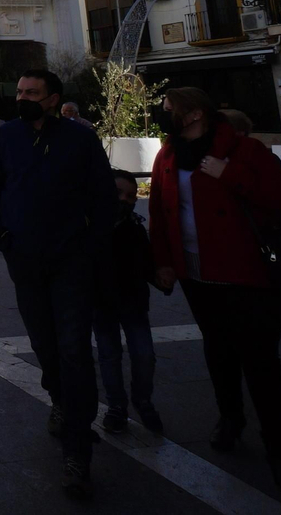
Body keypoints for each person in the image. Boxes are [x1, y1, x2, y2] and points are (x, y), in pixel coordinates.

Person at [151, 87, 281, 510]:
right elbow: (160, 213)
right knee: (218, 351)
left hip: (247, 274)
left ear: (195, 113)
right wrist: (163, 262)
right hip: (198, 276)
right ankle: (230, 417)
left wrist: (229, 173)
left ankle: (280, 454)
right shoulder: (167, 155)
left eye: (168, 110)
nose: (161, 116)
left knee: (261, 363)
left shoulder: (245, 151)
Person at [0, 70, 113, 500]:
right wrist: (1, 236)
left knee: (74, 349)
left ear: (53, 99)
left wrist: (90, 245)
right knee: (44, 344)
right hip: (25, 261)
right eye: (18, 91)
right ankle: (58, 397)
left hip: (72, 261)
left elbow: (103, 195)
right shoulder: (6, 138)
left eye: (31, 93)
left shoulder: (79, 139)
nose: (22, 98)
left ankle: (78, 448)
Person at [222, 109, 281, 364]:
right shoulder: (221, 156)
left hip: (261, 235)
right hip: (250, 235)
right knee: (276, 294)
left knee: (273, 292)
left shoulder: (253, 155)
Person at [96, 170, 163, 434]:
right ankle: (116, 406)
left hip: (133, 302)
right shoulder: (92, 226)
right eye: (118, 194)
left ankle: (142, 399)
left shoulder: (134, 227)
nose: (124, 200)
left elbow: (146, 262)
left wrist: (161, 276)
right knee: (109, 355)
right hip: (102, 302)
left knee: (144, 355)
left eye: (131, 196)